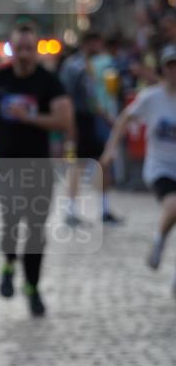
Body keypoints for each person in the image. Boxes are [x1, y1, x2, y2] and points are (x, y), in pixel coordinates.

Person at [0, 22, 72, 317]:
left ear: (36, 49)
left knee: (36, 228)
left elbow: (64, 120)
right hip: (6, 164)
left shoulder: (48, 82)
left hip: (40, 165)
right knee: (12, 217)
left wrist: (31, 117)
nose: (23, 54)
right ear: (12, 49)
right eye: (18, 48)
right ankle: (9, 263)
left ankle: (33, 287)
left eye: (29, 48)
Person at [101, 44, 176, 293]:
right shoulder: (151, 98)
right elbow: (125, 118)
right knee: (173, 205)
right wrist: (111, 149)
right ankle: (159, 240)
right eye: (170, 66)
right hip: (160, 167)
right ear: (163, 70)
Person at [59, 31, 124, 226]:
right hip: (80, 120)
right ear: (90, 43)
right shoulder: (75, 66)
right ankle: (71, 210)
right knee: (78, 165)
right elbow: (70, 98)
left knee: (102, 162)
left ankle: (104, 209)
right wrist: (70, 126)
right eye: (97, 44)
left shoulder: (90, 65)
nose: (100, 49)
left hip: (91, 119)